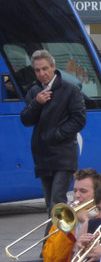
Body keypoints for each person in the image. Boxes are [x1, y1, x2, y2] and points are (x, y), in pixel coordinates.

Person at [20, 50, 86, 217]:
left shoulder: (70, 89)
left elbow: (79, 119)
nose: (42, 73)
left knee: (57, 201)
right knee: (50, 203)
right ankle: (54, 240)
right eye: (37, 70)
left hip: (63, 154)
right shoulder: (34, 91)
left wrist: (56, 135)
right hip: (43, 155)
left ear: (53, 67)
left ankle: (52, 241)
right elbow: (26, 119)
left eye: (45, 68)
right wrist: (36, 103)